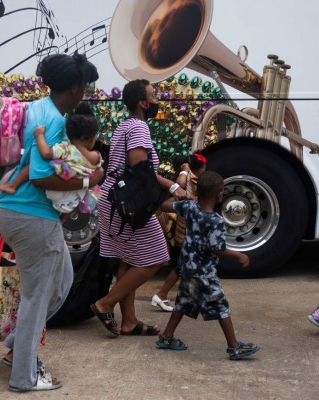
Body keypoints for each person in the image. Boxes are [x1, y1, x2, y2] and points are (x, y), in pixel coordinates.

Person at [0, 52, 103, 392]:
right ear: (75, 87)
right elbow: (40, 177)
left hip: (12, 208)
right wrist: (88, 181)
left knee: (62, 282)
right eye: (86, 86)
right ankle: (23, 376)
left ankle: (16, 344)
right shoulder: (54, 121)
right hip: (31, 214)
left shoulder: (37, 108)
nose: (87, 92)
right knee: (38, 296)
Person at [90, 79, 187, 337]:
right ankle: (105, 303)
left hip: (112, 201)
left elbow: (139, 171)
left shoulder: (124, 125)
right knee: (157, 256)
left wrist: (171, 188)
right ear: (143, 103)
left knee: (128, 261)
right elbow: (141, 171)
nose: (156, 100)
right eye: (153, 96)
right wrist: (173, 189)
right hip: (125, 208)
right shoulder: (140, 128)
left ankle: (129, 321)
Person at [156, 170, 261, 360]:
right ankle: (234, 346)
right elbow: (217, 248)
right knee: (221, 307)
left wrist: (167, 191)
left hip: (187, 268)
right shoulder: (215, 221)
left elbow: (164, 206)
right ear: (219, 195)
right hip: (204, 273)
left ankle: (167, 337)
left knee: (183, 304)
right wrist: (238, 255)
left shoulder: (190, 207)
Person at [0, 101, 103, 214]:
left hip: (55, 191)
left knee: (33, 165)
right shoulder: (95, 156)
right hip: (73, 197)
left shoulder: (65, 149)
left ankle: (13, 185)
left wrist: (39, 135)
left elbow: (46, 153)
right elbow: (99, 170)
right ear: (90, 138)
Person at [152, 152, 208, 312]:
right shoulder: (189, 177)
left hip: (188, 229)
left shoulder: (194, 178)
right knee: (185, 265)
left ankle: (169, 295)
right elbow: (180, 182)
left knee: (185, 265)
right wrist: (184, 172)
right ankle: (163, 295)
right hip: (187, 231)